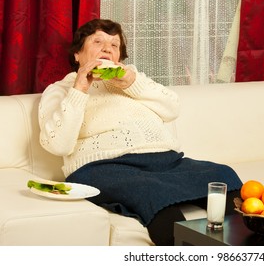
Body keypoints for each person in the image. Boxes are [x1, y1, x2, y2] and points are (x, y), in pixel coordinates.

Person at [38, 18, 242, 245]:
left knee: (224, 176)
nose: (107, 48)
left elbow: (172, 108)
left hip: (166, 162)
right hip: (104, 167)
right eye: (98, 41)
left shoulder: (132, 79)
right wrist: (80, 88)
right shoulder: (60, 90)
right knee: (153, 193)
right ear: (77, 54)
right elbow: (58, 144)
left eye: (114, 45)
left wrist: (131, 81)